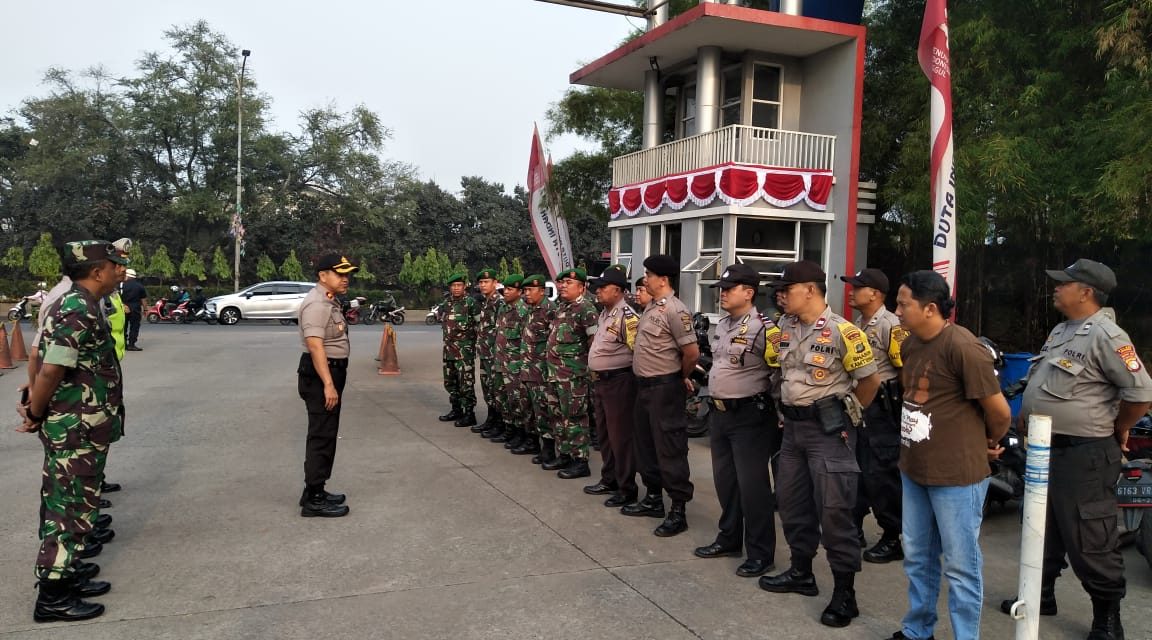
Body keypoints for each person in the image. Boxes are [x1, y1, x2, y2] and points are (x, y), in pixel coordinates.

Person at [998, 259, 1151, 640]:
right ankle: (1039, 594)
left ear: (1086, 292)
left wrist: (1121, 426)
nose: (1056, 288)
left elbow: (1140, 392)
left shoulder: (1108, 335)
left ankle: (1108, 617)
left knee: (1089, 535)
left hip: (1085, 454)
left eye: (1064, 284)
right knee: (1041, 527)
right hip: (1045, 449)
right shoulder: (1062, 330)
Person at [888, 270, 1011, 640]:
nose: (897, 310)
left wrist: (988, 440)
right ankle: (917, 629)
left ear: (929, 309)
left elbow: (1000, 412)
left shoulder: (963, 348)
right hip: (914, 468)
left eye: (903, 303)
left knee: (960, 566)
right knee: (917, 556)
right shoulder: (910, 343)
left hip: (957, 476)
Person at [758, 260, 880, 629]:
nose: (781, 295)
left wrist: (844, 414)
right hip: (793, 432)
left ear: (810, 290)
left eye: (788, 289)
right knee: (792, 503)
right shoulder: (784, 327)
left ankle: (845, 593)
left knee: (835, 512)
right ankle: (801, 572)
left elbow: (869, 383)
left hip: (829, 433)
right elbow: (782, 373)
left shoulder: (845, 332)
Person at [18, 240, 129, 622]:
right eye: (116, 265)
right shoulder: (76, 308)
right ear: (98, 271)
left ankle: (69, 572)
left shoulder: (81, 304)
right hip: (75, 427)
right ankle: (53, 596)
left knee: (74, 504)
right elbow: (51, 369)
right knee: (68, 509)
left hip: (83, 425)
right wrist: (34, 411)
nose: (121, 271)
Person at [694, 263, 783, 579]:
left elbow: (780, 373)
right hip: (720, 415)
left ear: (749, 292)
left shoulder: (765, 329)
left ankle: (761, 553)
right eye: (721, 289)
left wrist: (774, 411)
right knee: (726, 482)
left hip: (750, 416)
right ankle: (729, 538)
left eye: (728, 289)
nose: (722, 294)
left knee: (753, 487)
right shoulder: (723, 325)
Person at [624, 255, 699, 538]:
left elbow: (691, 354)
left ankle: (678, 510)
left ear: (663, 279)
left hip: (665, 388)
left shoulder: (675, 311)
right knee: (645, 445)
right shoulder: (650, 308)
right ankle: (653, 498)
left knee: (670, 447)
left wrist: (678, 378)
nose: (645, 279)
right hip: (644, 387)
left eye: (649, 274)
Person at [840, 268, 907, 563]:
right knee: (857, 468)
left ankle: (893, 536)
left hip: (882, 408)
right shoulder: (859, 323)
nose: (852, 292)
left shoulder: (890, 326)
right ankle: (854, 527)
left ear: (876, 294)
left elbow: (904, 371)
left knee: (881, 473)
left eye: (858, 287)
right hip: (859, 404)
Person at [296, 254, 359, 518]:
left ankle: (314, 491)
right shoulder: (317, 304)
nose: (345, 279)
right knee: (322, 435)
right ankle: (314, 499)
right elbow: (314, 345)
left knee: (326, 432)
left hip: (328, 373)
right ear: (323, 276)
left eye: (347, 274)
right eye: (339, 274)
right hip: (322, 375)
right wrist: (328, 385)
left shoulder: (329, 301)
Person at [585, 265, 640, 507]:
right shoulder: (605, 313)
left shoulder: (628, 318)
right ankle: (609, 479)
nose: (597, 291)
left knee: (621, 438)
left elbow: (638, 353)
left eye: (602, 288)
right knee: (605, 435)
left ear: (617, 290)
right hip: (601, 384)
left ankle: (626, 488)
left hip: (619, 383)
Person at [543, 267, 599, 478]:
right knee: (557, 416)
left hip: (573, 376)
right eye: (562, 282)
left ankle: (580, 460)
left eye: (569, 283)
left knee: (575, 417)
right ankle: (564, 454)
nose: (563, 286)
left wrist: (588, 371)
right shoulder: (561, 308)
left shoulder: (586, 309)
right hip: (554, 373)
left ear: (582, 288)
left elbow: (594, 344)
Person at [492, 275, 533, 452]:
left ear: (519, 292)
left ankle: (524, 435)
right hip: (502, 362)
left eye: (510, 289)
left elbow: (526, 341)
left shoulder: (523, 311)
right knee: (505, 400)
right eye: (504, 289)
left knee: (519, 403)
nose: (506, 292)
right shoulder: (503, 308)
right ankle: (511, 431)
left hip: (516, 365)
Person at [519, 275, 557, 464]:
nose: (526, 294)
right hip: (528, 368)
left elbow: (553, 342)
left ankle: (549, 449)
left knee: (543, 410)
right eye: (525, 291)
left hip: (542, 371)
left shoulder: (549, 310)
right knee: (530, 409)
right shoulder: (530, 310)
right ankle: (534, 442)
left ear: (541, 291)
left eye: (530, 290)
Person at [438, 272, 480, 428]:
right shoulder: (446, 303)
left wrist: (472, 346)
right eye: (453, 286)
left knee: (466, 384)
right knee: (450, 382)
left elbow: (479, 327)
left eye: (459, 285)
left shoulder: (471, 303)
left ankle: (469, 414)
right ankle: (456, 410)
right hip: (448, 352)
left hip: (464, 353)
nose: (456, 288)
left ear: (464, 287)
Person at [474, 268, 506, 438]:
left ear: (495, 283)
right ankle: (491, 419)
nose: (483, 285)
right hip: (485, 354)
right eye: (481, 282)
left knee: (497, 390)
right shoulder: (486, 302)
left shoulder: (499, 303)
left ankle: (500, 424)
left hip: (495, 355)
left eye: (486, 282)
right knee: (487, 389)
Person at [119, 269, 147, 351]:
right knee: (134, 326)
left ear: (127, 275)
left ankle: (123, 343)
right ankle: (131, 344)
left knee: (123, 326)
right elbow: (143, 299)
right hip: (135, 308)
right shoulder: (139, 286)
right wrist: (145, 309)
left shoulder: (121, 285)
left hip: (123, 307)